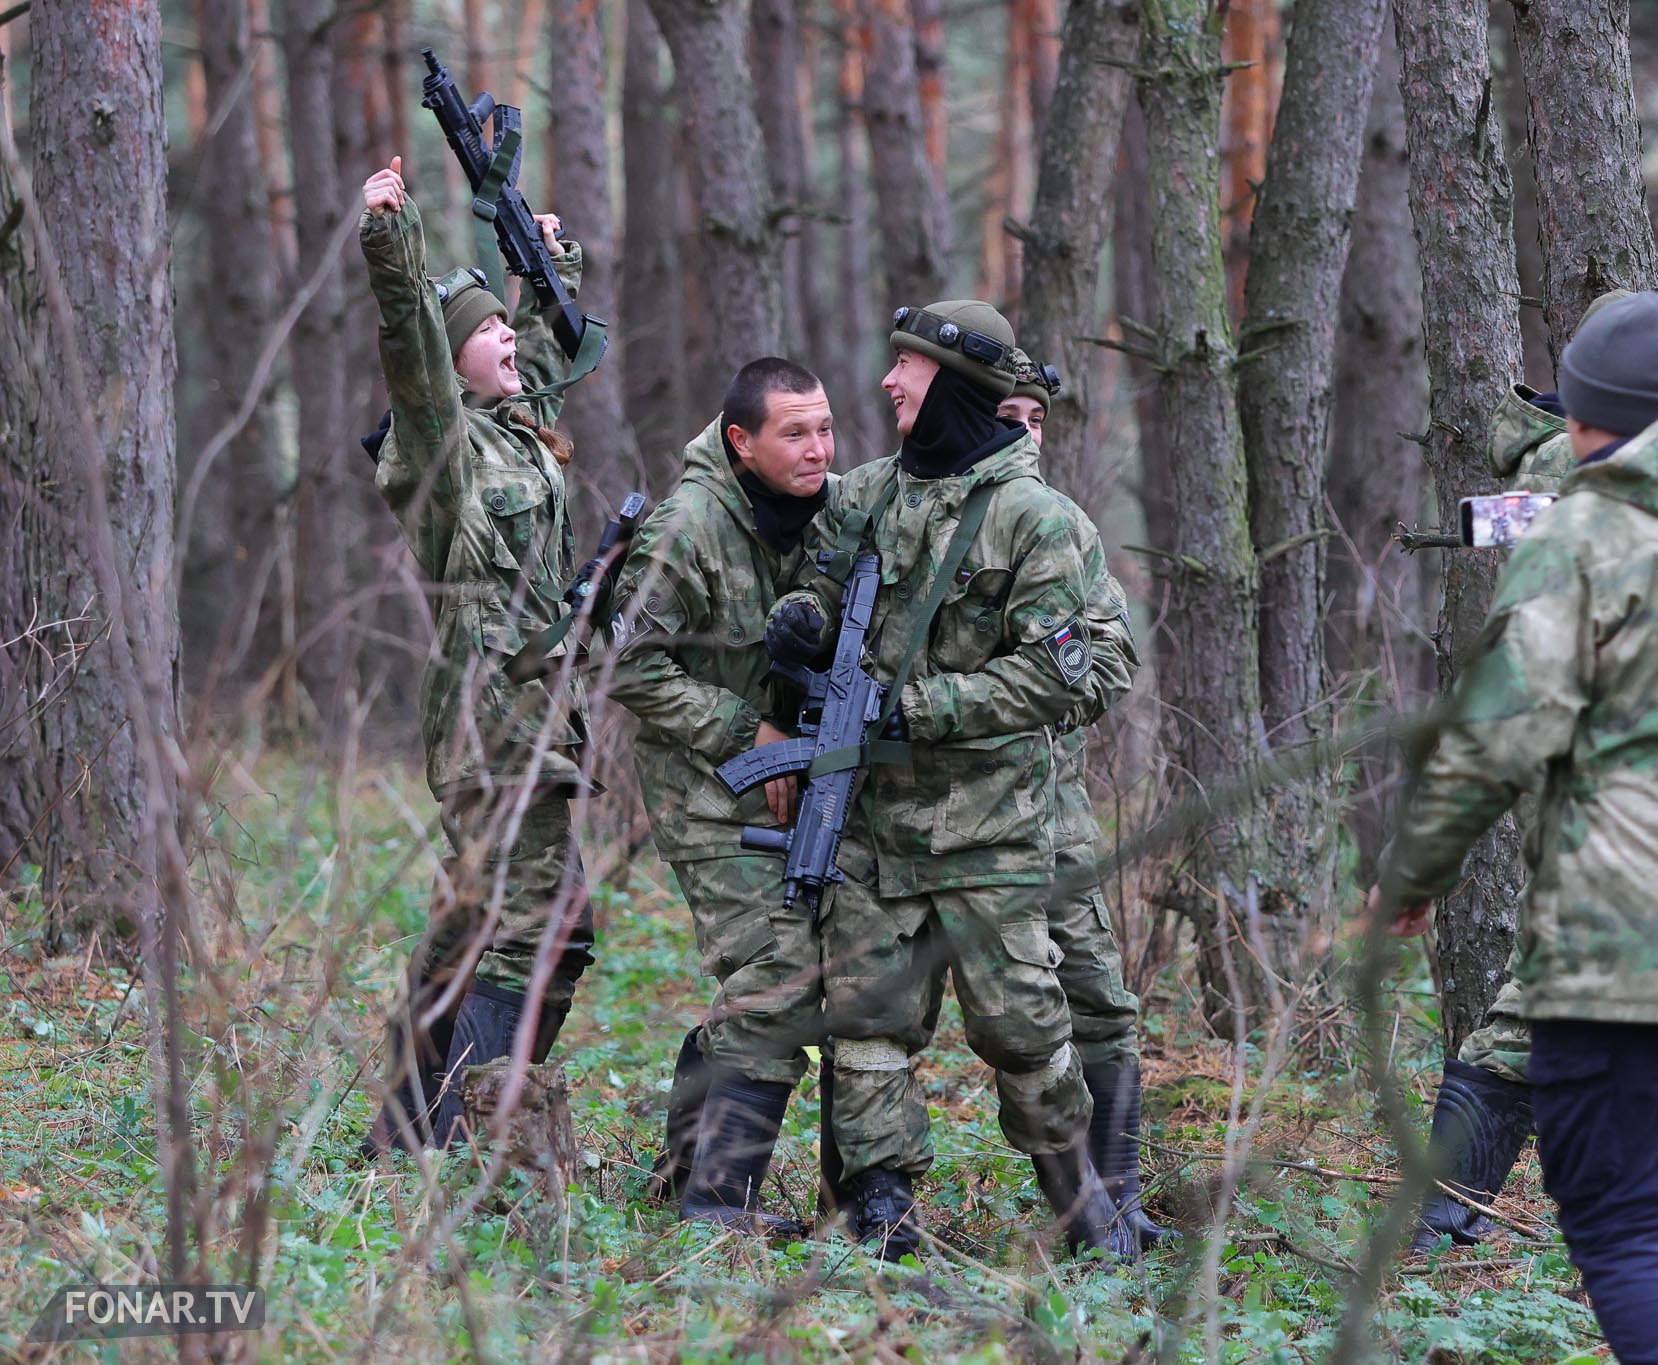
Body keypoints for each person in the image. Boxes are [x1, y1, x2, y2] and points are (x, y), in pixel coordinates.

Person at [1371, 291, 1658, 1364]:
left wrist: (1411, 876)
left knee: (1618, 1230)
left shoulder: (1582, 536)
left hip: (1622, 940)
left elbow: (1492, 737)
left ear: (1578, 416)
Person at [767, 301, 1135, 1261]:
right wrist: (802, 622)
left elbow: (1063, 674)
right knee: (866, 1024)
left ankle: (1085, 1207)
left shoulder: (1036, 521)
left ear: (958, 388)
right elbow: (821, 584)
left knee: (1024, 1031)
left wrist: (921, 707)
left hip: (990, 828)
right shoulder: (866, 495)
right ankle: (881, 1212)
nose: (889, 381)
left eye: (910, 367)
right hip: (869, 822)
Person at [356, 156, 596, 1152]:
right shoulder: (444, 449)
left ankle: (404, 1131)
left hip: (533, 717)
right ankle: (463, 1137)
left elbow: (539, 347)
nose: (507, 338)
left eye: (506, 325)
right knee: (542, 923)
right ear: (452, 366)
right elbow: (412, 346)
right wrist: (393, 241)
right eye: (485, 331)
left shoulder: (515, 433)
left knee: (474, 919)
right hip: (489, 723)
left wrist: (547, 265)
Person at [606, 359, 835, 1234]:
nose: (817, 449)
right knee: (775, 973)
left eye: (825, 428)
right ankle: (718, 1203)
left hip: (796, 783)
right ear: (742, 441)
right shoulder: (687, 528)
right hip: (702, 782)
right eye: (794, 432)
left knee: (784, 970)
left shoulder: (830, 509)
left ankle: (683, 1177)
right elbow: (628, 666)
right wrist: (750, 734)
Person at [995, 356, 1172, 1248]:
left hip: (1055, 804)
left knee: (1100, 996)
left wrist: (1051, 694)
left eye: (1037, 418)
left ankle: (1119, 1203)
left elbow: (1110, 653)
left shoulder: (1063, 528)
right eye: (1009, 415)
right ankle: (878, 1216)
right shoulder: (909, 511)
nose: (1027, 433)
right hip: (946, 819)